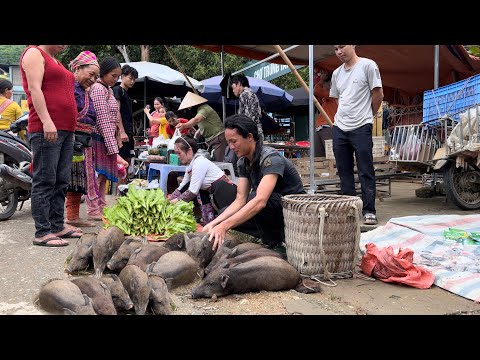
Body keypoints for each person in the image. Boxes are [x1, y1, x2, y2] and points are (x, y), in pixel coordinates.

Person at [202, 114, 305, 251]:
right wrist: (215, 223)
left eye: (234, 141)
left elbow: (261, 200)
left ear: (249, 137)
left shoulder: (271, 158)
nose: (231, 147)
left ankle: (278, 243)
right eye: (228, 143)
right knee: (224, 212)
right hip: (272, 209)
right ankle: (267, 237)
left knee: (261, 201)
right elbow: (240, 199)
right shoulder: (243, 162)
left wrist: (224, 226)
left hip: (295, 211)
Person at [20, 45, 82, 246]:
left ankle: (57, 225)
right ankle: (42, 231)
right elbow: (34, 89)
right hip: (47, 127)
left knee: (61, 179)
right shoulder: (34, 53)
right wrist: (46, 120)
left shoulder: (56, 60)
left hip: (65, 129)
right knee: (45, 179)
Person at [330, 45, 384, 225]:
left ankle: (369, 210)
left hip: (362, 126)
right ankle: (350, 210)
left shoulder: (368, 66)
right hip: (339, 127)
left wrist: (369, 115)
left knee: (365, 170)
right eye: (335, 48)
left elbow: (378, 94)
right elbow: (338, 98)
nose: (339, 52)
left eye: (342, 46)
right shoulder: (336, 74)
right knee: (344, 171)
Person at [64, 50, 101, 228]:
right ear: (77, 69)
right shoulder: (69, 86)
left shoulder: (84, 90)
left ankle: (73, 217)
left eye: (96, 76)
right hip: (72, 139)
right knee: (70, 179)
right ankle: (66, 218)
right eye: (91, 74)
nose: (93, 79)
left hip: (84, 141)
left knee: (78, 179)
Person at [169, 135, 237, 225]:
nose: (177, 156)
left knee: (193, 191)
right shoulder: (190, 166)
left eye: (179, 153)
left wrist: (176, 201)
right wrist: (169, 200)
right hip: (214, 194)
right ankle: (208, 219)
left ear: (189, 151)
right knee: (189, 187)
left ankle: (219, 219)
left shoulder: (199, 162)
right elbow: (182, 187)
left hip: (226, 194)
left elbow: (192, 191)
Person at [87, 56, 122, 220]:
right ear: (104, 73)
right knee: (96, 175)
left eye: (117, 76)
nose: (115, 79)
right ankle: (93, 208)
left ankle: (100, 204)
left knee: (102, 176)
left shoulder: (107, 89)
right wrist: (112, 145)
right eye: (113, 75)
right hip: (99, 137)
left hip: (106, 137)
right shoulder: (98, 89)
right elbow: (102, 119)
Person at [176, 92, 227, 162]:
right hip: (210, 140)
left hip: (218, 138)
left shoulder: (204, 109)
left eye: (189, 106)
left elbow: (196, 120)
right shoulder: (200, 110)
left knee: (218, 163)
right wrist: (198, 132)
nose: (189, 109)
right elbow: (206, 123)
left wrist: (184, 125)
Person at [112, 64, 138, 178]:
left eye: (134, 79)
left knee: (127, 160)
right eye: (130, 78)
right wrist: (121, 131)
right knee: (121, 162)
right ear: (122, 76)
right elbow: (116, 111)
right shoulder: (118, 90)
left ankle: (122, 191)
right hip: (121, 132)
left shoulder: (126, 94)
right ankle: (118, 192)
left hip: (128, 131)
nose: (132, 81)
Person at [230, 74, 263, 139]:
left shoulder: (244, 94)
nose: (233, 91)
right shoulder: (252, 93)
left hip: (250, 133)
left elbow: (247, 117)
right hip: (257, 131)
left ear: (239, 84)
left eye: (233, 87)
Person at [313, 69, 337, 157]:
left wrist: (322, 79)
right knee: (318, 155)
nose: (323, 86)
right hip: (321, 127)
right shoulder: (327, 98)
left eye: (325, 84)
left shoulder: (333, 95)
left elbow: (316, 90)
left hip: (328, 126)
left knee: (329, 155)